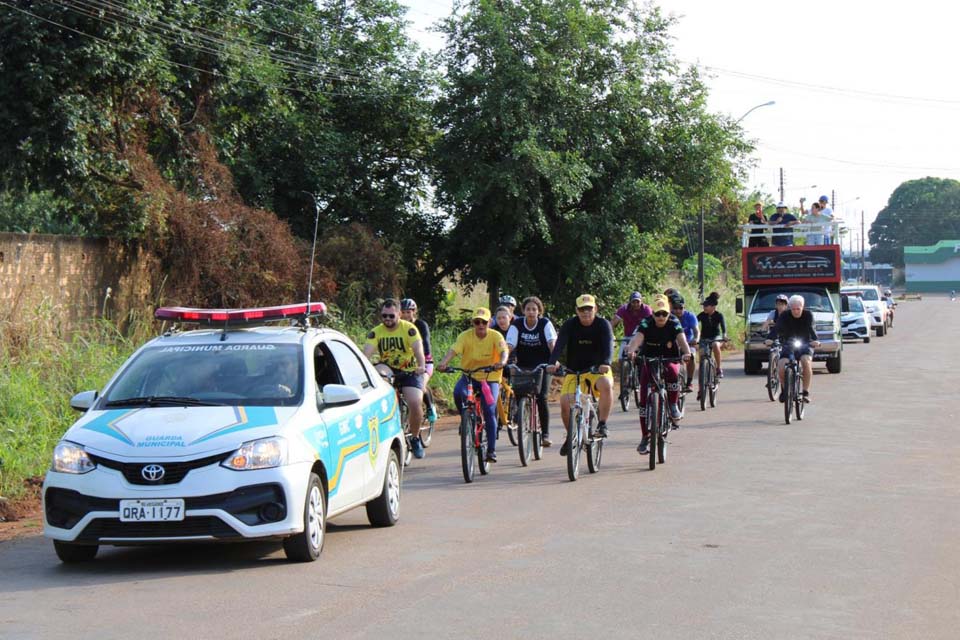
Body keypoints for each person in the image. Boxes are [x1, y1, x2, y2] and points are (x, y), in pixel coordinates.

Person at [437, 308, 509, 463]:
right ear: (473, 323)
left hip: (490, 377)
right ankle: (466, 419)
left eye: (484, 322)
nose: (480, 325)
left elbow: (504, 351)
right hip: (469, 375)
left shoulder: (496, 336)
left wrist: (502, 362)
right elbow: (453, 351)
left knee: (489, 410)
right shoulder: (465, 336)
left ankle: (491, 450)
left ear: (490, 322)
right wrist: (443, 363)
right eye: (477, 322)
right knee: (458, 392)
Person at [626, 295, 692, 454]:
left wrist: (687, 352)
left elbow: (681, 339)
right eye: (658, 314)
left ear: (669, 313)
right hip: (648, 359)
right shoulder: (646, 322)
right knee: (643, 399)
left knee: (673, 371)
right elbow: (637, 338)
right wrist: (631, 350)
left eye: (664, 313)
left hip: (670, 357)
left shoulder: (674, 323)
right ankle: (644, 437)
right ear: (653, 313)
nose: (661, 317)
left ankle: (673, 405)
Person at [548, 294, 614, 453]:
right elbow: (560, 344)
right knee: (564, 403)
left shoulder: (603, 324)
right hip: (574, 371)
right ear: (576, 311)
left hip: (597, 370)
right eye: (582, 309)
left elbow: (609, 345)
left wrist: (606, 363)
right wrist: (552, 362)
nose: (586, 313)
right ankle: (571, 435)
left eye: (589, 309)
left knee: (606, 385)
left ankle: (603, 424)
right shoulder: (570, 324)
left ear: (595, 309)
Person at [363, 299, 428, 458]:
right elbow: (366, 354)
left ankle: (414, 437)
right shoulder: (376, 332)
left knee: (414, 402)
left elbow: (418, 349)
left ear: (399, 314)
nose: (387, 319)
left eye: (391, 316)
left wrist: (421, 365)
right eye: (384, 316)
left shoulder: (409, 329)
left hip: (410, 371)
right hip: (389, 368)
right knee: (379, 372)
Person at [506, 296, 558, 446]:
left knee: (542, 397)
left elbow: (551, 343)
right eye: (528, 309)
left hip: (544, 365)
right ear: (523, 311)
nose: (531, 312)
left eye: (534, 309)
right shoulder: (516, 324)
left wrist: (553, 361)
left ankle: (545, 435)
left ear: (539, 311)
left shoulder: (545, 323)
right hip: (523, 365)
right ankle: (520, 413)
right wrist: (503, 360)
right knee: (519, 390)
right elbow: (509, 344)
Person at [768, 294, 821, 402]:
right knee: (782, 365)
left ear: (803, 307)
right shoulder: (784, 315)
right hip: (788, 343)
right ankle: (784, 389)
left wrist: (816, 340)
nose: (796, 311)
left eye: (798, 309)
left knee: (805, 361)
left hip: (806, 343)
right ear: (789, 308)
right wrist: (770, 338)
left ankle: (805, 392)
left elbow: (812, 328)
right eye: (793, 309)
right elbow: (777, 328)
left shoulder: (808, 315)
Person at [399, 298, 437, 424]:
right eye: (402, 312)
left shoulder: (421, 325)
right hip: (405, 362)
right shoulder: (397, 326)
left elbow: (426, 344)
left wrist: (421, 360)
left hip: (425, 362)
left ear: (414, 312)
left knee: (421, 384)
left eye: (408, 312)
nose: (405, 315)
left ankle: (430, 407)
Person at [669, 294, 699, 392]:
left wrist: (696, 339)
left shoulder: (690, 316)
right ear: (672, 308)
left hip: (688, 343)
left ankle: (689, 382)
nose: (678, 310)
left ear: (684, 307)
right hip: (672, 344)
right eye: (675, 308)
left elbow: (696, 330)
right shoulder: (668, 316)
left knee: (692, 357)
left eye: (680, 308)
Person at [697, 292, 727, 381]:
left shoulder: (719, 315)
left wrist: (724, 335)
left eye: (707, 305)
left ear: (713, 306)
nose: (704, 307)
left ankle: (718, 368)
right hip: (703, 338)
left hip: (715, 337)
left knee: (715, 345)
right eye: (704, 305)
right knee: (702, 355)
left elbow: (723, 327)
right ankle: (702, 372)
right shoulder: (702, 315)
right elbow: (694, 323)